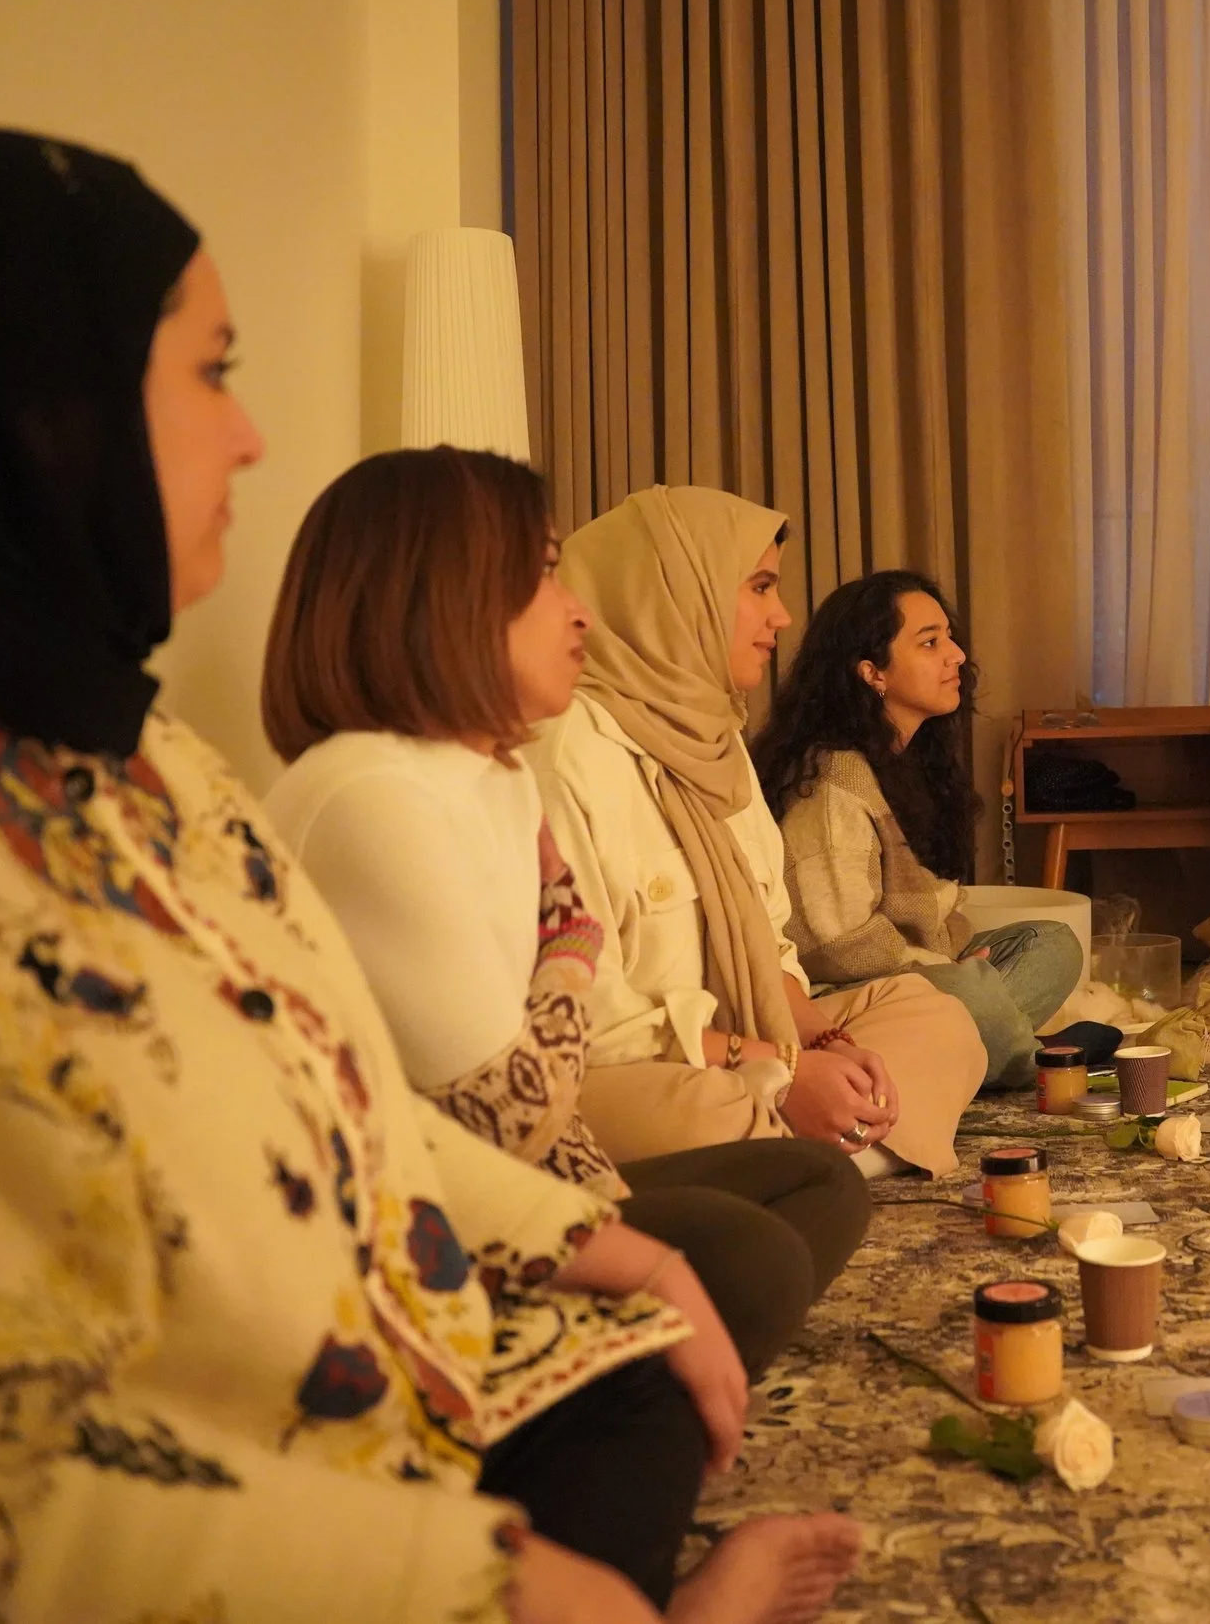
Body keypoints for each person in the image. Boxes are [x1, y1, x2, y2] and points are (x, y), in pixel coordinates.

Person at [0, 130, 856, 1624]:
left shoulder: (125, 742)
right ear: (39, 405)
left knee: (645, 1362)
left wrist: (601, 1240)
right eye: (213, 372)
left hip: (380, 1342)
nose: (250, 441)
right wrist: (479, 1575)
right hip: (180, 1467)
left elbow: (343, 1093)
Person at [260, 448, 870, 1378]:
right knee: (754, 1249)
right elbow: (525, 1110)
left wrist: (621, 1207)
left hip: (532, 1170)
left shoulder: (489, 776)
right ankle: (605, 1380)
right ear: (441, 601)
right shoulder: (368, 791)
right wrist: (575, 936)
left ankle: (622, 1364)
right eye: (542, 576)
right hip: (424, 1215)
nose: (578, 607)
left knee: (815, 1189)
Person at [526, 487, 986, 1178]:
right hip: (648, 1067)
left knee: (940, 1018)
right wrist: (781, 1068)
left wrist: (822, 1041)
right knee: (699, 1111)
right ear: (676, 593)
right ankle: (825, 1151)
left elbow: (773, 952)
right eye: (761, 586)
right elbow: (593, 1021)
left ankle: (803, 1155)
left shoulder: (718, 741)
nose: (783, 615)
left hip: (752, 1045)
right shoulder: (570, 753)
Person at [753, 571, 1082, 1091]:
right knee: (971, 995)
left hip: (916, 974)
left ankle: (967, 1052)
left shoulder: (909, 761)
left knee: (1051, 943)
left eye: (948, 637)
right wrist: (945, 970)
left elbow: (924, 909)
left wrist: (951, 965)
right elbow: (836, 945)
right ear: (871, 672)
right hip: (838, 996)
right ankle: (1009, 1058)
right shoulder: (833, 778)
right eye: (930, 643)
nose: (956, 655)